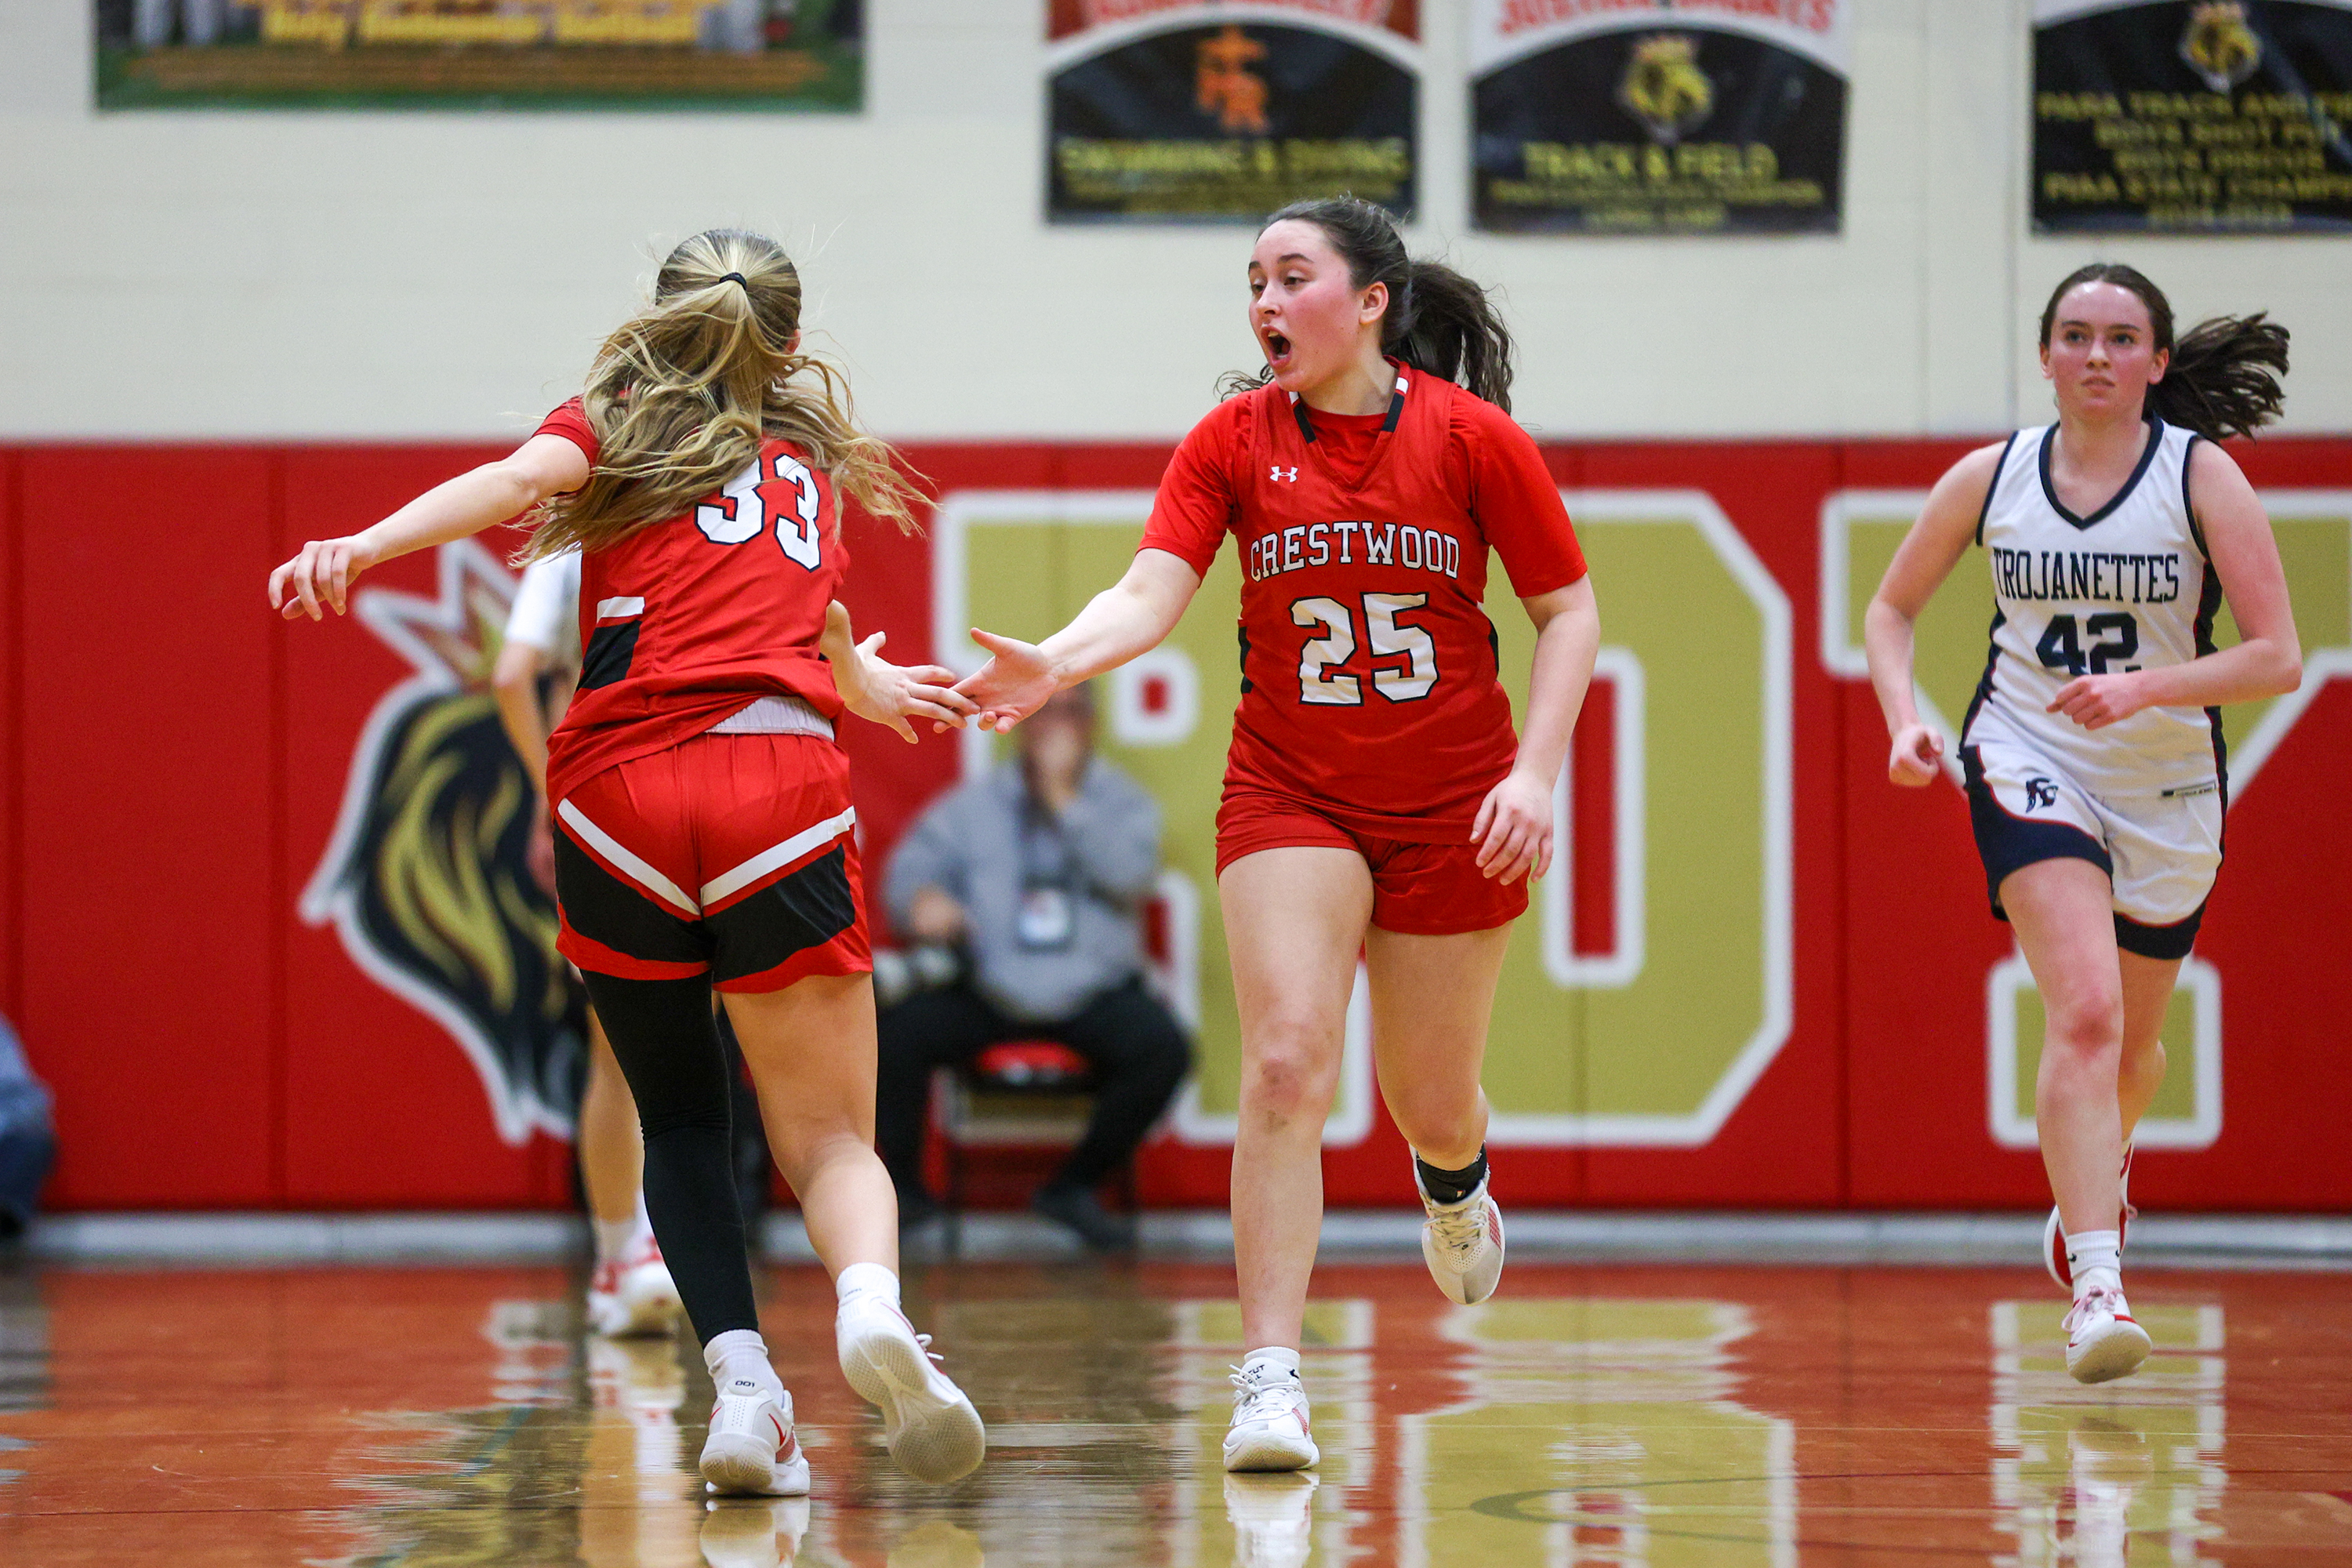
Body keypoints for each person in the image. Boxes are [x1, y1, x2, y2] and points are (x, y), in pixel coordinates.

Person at [269, 227, 989, 1493]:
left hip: (617, 797)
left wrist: (363, 547)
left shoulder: (614, 419)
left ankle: (745, 1395)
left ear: (656, 327)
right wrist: (865, 686)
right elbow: (805, 632)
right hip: (776, 780)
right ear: (792, 346)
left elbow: (506, 486)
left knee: (680, 1120)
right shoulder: (809, 459)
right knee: (827, 1140)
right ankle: (870, 1305)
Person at [953, 196, 1599, 1472]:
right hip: (1291, 791)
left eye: (1290, 276)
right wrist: (1059, 662)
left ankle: (1457, 1182)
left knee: (1429, 1102)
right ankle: (1269, 1379)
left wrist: (1535, 775)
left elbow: (1567, 612)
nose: (1261, 302)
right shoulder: (1231, 443)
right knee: (1290, 1062)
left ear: (1369, 301)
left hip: (1455, 804)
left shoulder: (1474, 441)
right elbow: (1151, 589)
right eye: (1251, 278)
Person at [1864, 263, 2299, 1385]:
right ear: (2048, 355)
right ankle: (2098, 1288)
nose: (2096, 355)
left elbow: (2276, 656)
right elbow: (1892, 606)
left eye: (2120, 338)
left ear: (2156, 362)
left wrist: (2149, 691)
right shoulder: (1991, 476)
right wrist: (1905, 719)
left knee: (2133, 1053)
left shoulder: (2201, 478)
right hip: (2027, 751)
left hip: (2165, 783)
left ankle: (2091, 1187)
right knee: (2089, 1011)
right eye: (2075, 335)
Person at [877, 682, 1192, 1252]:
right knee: (896, 1035)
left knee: (1164, 1048)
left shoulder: (1123, 803)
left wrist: (1061, 796)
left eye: (1070, 713)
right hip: (992, 988)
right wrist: (922, 900)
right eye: (1043, 714)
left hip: (1092, 993)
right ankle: (904, 1198)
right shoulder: (974, 807)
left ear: (1092, 725)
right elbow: (906, 876)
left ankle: (1073, 1186)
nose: (1055, 727)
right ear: (1019, 725)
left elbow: (1131, 877)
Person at [492, 546, 684, 1338]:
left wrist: (552, 786)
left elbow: (512, 673)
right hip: (708, 786)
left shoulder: (575, 531)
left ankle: (622, 1254)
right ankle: (646, 1250)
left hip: (604, 796)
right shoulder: (733, 516)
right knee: (679, 1044)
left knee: (621, 1044)